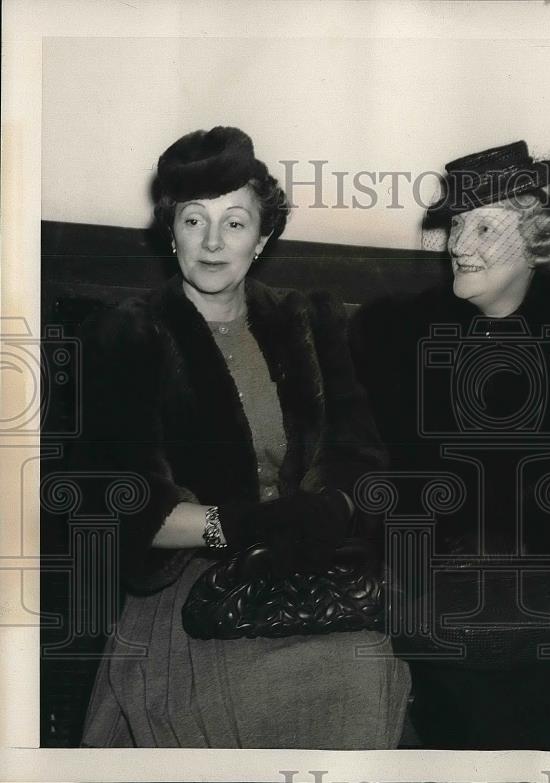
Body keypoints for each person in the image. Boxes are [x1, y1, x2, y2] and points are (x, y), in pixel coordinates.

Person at [78, 126, 410, 748]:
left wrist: (328, 510)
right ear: (169, 231)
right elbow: (128, 501)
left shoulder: (310, 319)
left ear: (261, 238)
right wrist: (243, 526)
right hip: (188, 578)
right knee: (237, 706)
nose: (211, 242)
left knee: (357, 679)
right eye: (192, 220)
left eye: (233, 223)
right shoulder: (126, 334)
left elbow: (363, 460)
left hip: (314, 569)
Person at [351, 141, 550, 749]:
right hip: (432, 579)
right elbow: (375, 481)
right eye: (458, 223)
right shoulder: (393, 337)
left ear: (540, 239)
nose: (460, 244)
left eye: (485, 226)